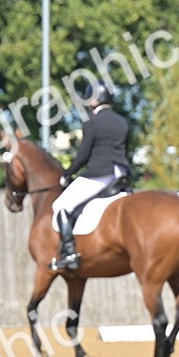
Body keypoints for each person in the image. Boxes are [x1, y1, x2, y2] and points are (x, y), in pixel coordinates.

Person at [50, 82, 131, 271]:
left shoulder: (92, 123)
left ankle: (69, 253)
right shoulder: (122, 122)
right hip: (121, 175)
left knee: (60, 205)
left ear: (94, 100)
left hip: (100, 174)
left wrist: (67, 174)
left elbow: (83, 157)